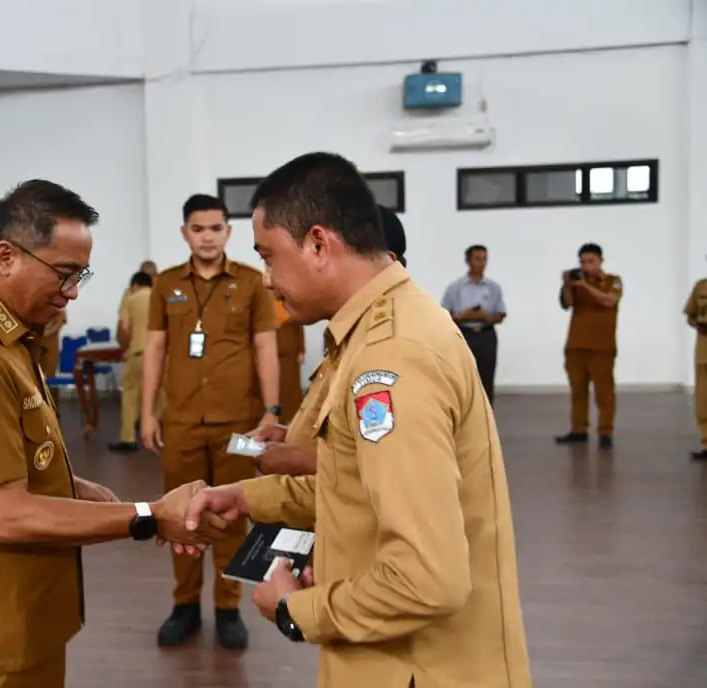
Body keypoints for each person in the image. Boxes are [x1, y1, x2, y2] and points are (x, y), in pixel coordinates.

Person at [179, 152, 531, 687]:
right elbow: (355, 483)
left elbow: (428, 579)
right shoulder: (376, 332)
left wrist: (296, 611)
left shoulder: (391, 358)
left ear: (320, 244)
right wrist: (246, 499)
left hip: (418, 668)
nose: (269, 281)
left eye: (270, 258)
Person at [0, 180, 228, 688]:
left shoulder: (6, 334)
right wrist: (147, 517)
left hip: (27, 604)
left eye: (81, 274)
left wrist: (70, 485)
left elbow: (9, 454)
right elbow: (5, 515)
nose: (74, 290)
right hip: (0, 615)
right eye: (64, 273)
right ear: (7, 256)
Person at [140, 193, 280, 650]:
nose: (207, 237)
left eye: (215, 228)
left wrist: (271, 410)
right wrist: (146, 412)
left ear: (228, 232)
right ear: (185, 233)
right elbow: (156, 349)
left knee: (232, 514)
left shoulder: (251, 282)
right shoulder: (165, 284)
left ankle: (227, 607)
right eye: (198, 229)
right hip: (180, 420)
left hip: (238, 422)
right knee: (178, 515)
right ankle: (184, 605)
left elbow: (264, 348)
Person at [249, 203, 410, 478]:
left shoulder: (390, 346)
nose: (269, 279)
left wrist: (302, 461)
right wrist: (293, 438)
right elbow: (349, 434)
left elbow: (390, 474)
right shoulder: (348, 335)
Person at [555, 243, 622, 450]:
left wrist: (585, 286)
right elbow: (567, 304)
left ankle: (605, 431)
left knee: (604, 392)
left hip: (602, 347)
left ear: (601, 261)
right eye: (583, 262)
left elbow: (609, 300)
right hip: (576, 345)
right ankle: (578, 430)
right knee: (577, 390)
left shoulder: (613, 280)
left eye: (591, 261)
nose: (586, 266)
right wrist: (567, 285)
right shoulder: (577, 282)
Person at [440, 245, 507, 406]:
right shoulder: (455, 287)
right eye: (477, 259)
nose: (481, 263)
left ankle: (486, 418)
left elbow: (500, 314)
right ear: (467, 261)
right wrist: (462, 316)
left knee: (486, 378)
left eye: (484, 259)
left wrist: (486, 317)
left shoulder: (493, 287)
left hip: (486, 334)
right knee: (461, 377)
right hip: (463, 334)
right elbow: (444, 316)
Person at [108, 270, 153, 453]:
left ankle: (128, 439)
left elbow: (125, 328)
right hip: (162, 356)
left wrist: (125, 346)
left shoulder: (130, 297)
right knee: (161, 396)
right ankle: (158, 435)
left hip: (138, 353)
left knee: (130, 396)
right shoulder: (161, 297)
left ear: (135, 284)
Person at [685, 275, 707, 460]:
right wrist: (697, 324)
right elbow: (690, 314)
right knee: (703, 401)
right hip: (703, 352)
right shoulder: (700, 286)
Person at [274, 298, 305, 424]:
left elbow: (299, 328)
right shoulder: (266, 307)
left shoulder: (288, 305)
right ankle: (278, 418)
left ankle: (293, 419)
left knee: (291, 388)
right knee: (277, 388)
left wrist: (301, 350)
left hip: (290, 356)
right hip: (273, 357)